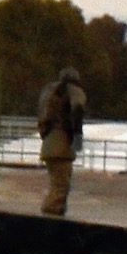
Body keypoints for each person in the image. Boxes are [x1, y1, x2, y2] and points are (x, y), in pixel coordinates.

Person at [34, 67, 89, 218]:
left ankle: (50, 214)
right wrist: (77, 140)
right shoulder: (74, 92)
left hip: (48, 143)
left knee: (55, 183)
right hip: (62, 144)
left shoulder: (49, 92)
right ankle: (51, 217)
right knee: (61, 186)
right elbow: (76, 114)